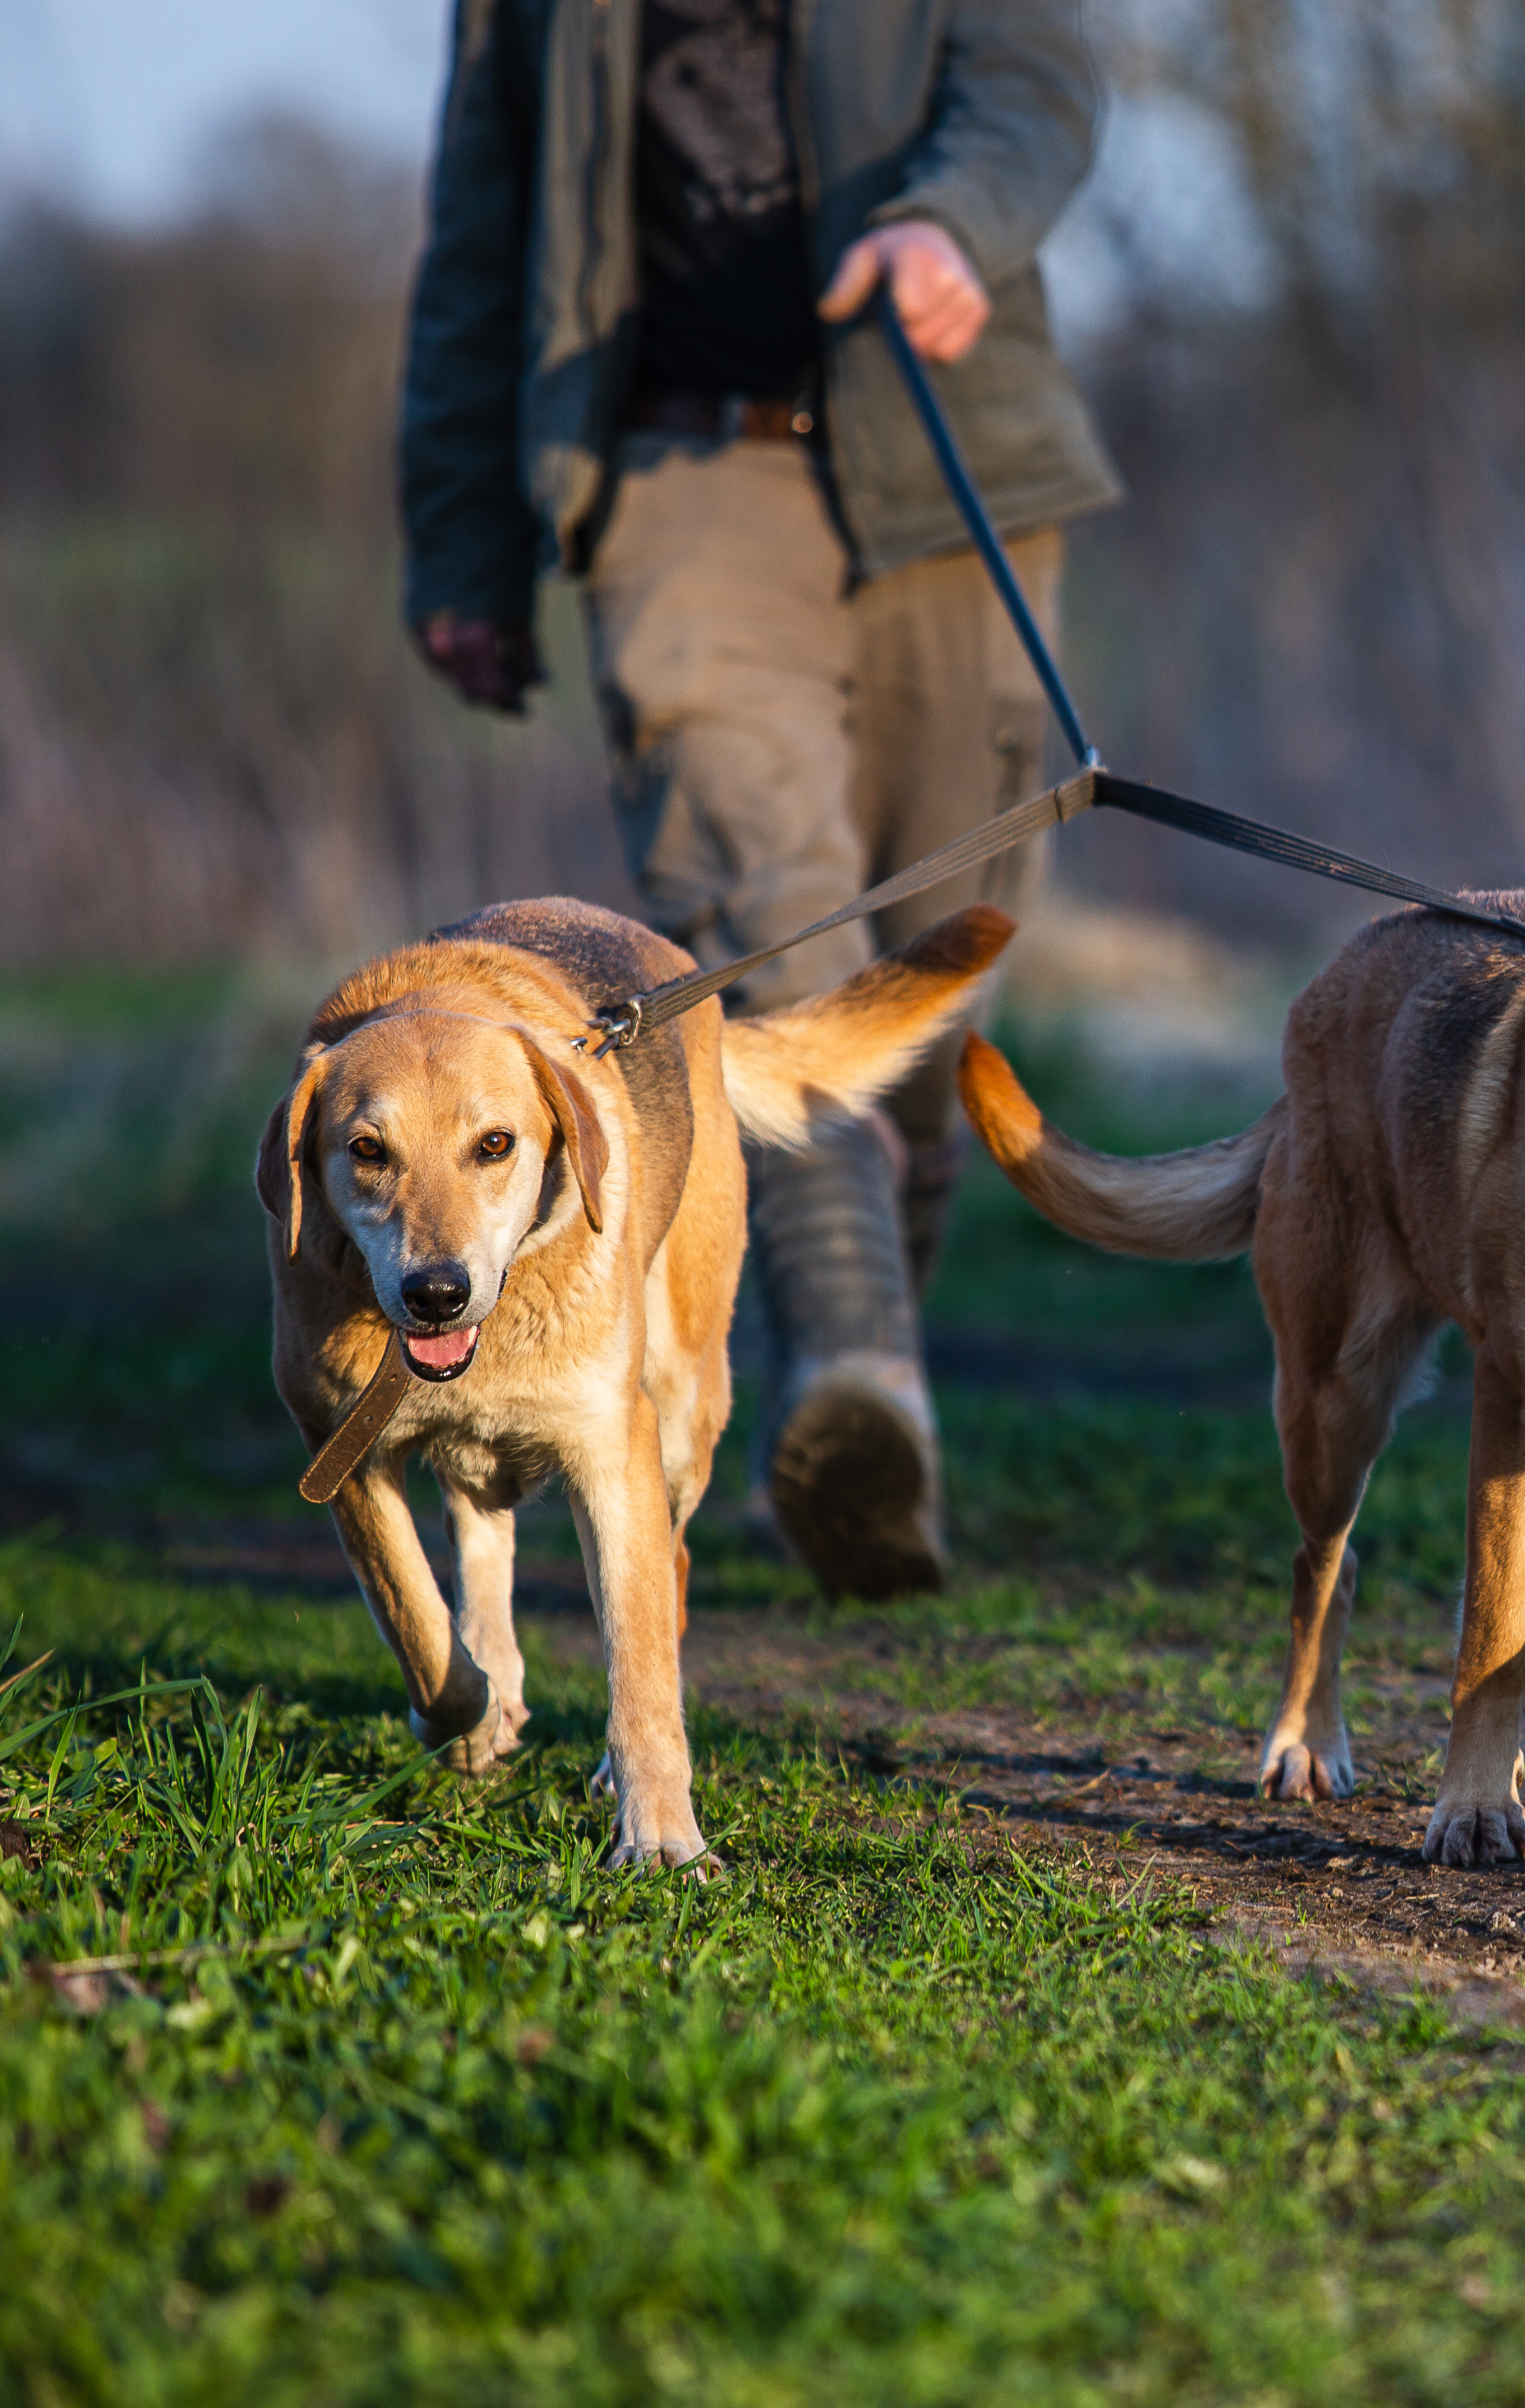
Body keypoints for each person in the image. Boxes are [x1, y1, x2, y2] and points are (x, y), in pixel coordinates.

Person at [398, 0, 1122, 1599]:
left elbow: (1041, 83)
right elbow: (481, 233)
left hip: (954, 467)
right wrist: (461, 539)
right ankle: (857, 1378)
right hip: (678, 478)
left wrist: (950, 224)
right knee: (772, 939)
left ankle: (834, 1390)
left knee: (930, 969)